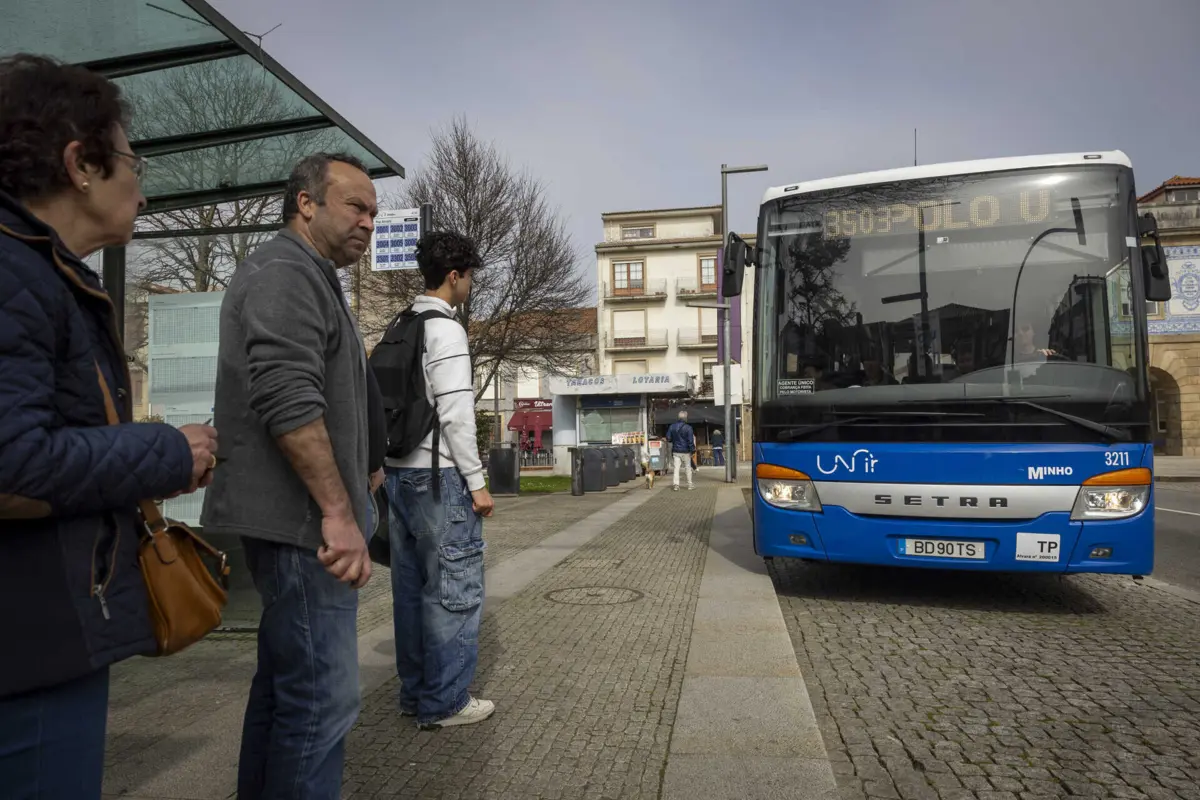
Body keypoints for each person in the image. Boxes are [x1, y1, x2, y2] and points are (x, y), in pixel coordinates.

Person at [0, 54, 218, 799]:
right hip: (28, 654)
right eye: (130, 157)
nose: (141, 180)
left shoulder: (43, 272)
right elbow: (11, 464)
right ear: (81, 164)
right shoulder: (15, 275)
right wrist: (167, 450)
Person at [200, 152, 377, 798]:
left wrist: (366, 474)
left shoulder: (310, 274)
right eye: (356, 206)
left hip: (305, 524)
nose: (368, 222)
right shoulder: (284, 271)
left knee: (285, 694)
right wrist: (337, 511)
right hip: (306, 529)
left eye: (375, 213)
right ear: (307, 203)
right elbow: (288, 398)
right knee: (321, 704)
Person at [384, 230, 496, 729]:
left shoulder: (401, 322)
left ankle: (415, 694)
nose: (470, 286)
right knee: (453, 591)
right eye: (470, 277)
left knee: (410, 594)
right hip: (439, 479)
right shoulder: (446, 330)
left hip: (397, 476)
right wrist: (477, 482)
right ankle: (446, 702)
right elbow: (455, 413)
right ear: (455, 276)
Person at [666, 410, 696, 491]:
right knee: (688, 468)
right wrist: (693, 450)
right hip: (686, 451)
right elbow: (690, 441)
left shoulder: (672, 426)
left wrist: (674, 440)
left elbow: (668, 438)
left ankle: (676, 485)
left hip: (676, 451)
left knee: (676, 468)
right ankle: (690, 485)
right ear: (685, 418)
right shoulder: (688, 428)